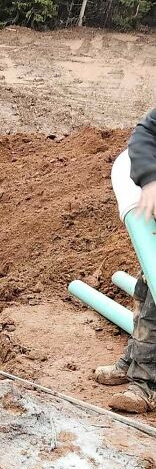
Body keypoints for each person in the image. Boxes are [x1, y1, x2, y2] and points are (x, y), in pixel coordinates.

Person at [95, 108, 156, 413]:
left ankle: (144, 383)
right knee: (148, 287)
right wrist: (150, 180)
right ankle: (135, 364)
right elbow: (145, 132)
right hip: (139, 182)